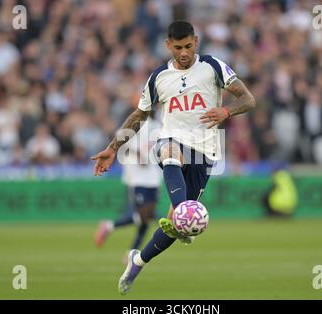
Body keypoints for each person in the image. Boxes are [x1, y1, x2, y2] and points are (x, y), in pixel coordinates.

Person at [91, 20, 256, 295]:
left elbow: (248, 99)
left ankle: (138, 260)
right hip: (172, 141)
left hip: (205, 152)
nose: (184, 53)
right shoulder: (158, 77)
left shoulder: (213, 66)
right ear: (168, 45)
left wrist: (227, 112)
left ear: (197, 42)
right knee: (169, 152)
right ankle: (183, 211)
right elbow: (139, 115)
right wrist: (113, 147)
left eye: (189, 46)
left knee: (173, 229)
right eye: (178, 47)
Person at [94, 114, 162, 262]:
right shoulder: (135, 123)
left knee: (147, 218)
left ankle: (130, 252)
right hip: (136, 177)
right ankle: (111, 228)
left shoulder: (157, 126)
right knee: (144, 215)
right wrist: (138, 154)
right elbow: (121, 142)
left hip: (154, 177)